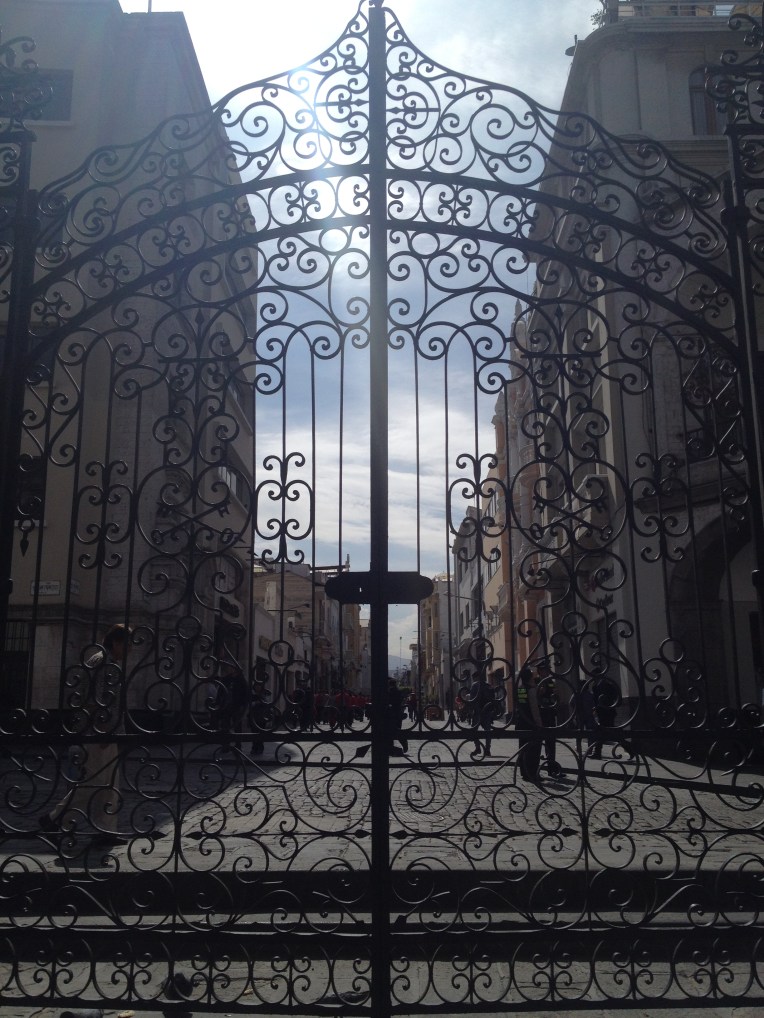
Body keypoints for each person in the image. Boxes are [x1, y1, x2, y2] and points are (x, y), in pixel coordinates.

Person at [40, 624, 131, 844]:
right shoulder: (104, 663)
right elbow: (94, 700)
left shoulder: (103, 660)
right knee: (95, 783)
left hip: (105, 732)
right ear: (117, 643)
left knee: (106, 784)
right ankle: (56, 819)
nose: (129, 650)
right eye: (128, 645)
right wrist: (102, 730)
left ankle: (103, 829)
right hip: (100, 734)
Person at [515, 665, 541, 781]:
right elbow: (534, 708)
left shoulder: (520, 688)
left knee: (523, 749)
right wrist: (538, 723)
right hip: (531, 723)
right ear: (530, 677)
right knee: (533, 750)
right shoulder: (530, 689)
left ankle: (524, 773)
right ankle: (532, 773)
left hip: (521, 722)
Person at [536, 660, 562, 778]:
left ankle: (552, 768)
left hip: (550, 714)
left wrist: (556, 695)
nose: (547, 672)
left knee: (551, 742)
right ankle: (535, 769)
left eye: (548, 669)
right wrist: (540, 693)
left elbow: (555, 695)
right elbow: (533, 698)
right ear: (540, 671)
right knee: (537, 743)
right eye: (545, 670)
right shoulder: (536, 681)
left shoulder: (550, 681)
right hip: (540, 715)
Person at [468, 672, 495, 757]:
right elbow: (492, 698)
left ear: (475, 678)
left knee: (474, 731)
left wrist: (470, 711)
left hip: (478, 711)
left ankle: (478, 748)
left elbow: (472, 699)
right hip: (487, 711)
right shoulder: (487, 685)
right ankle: (487, 750)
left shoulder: (474, 685)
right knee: (487, 731)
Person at [386, 677, 408, 754]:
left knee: (390, 731)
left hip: (390, 714)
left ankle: (391, 748)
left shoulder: (389, 692)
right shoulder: (399, 692)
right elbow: (402, 701)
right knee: (397, 729)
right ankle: (394, 747)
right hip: (398, 714)